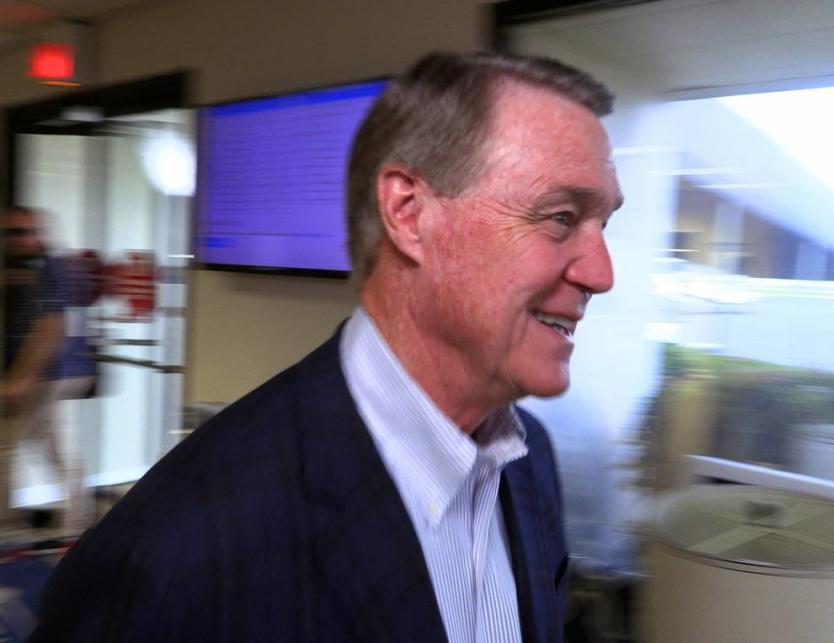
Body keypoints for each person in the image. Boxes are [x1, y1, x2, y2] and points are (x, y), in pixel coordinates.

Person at [31, 50, 622, 643]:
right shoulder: (182, 542)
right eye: (561, 217)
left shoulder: (530, 463)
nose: (602, 272)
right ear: (409, 214)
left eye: (605, 226)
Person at [0, 206, 77, 532]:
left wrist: (20, 379)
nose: (16, 239)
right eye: (9, 233)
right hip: (24, 376)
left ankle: (7, 526)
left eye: (23, 232)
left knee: (5, 450)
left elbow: (51, 328)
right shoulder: (15, 266)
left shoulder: (45, 268)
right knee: (51, 449)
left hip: (39, 376)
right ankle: (79, 520)